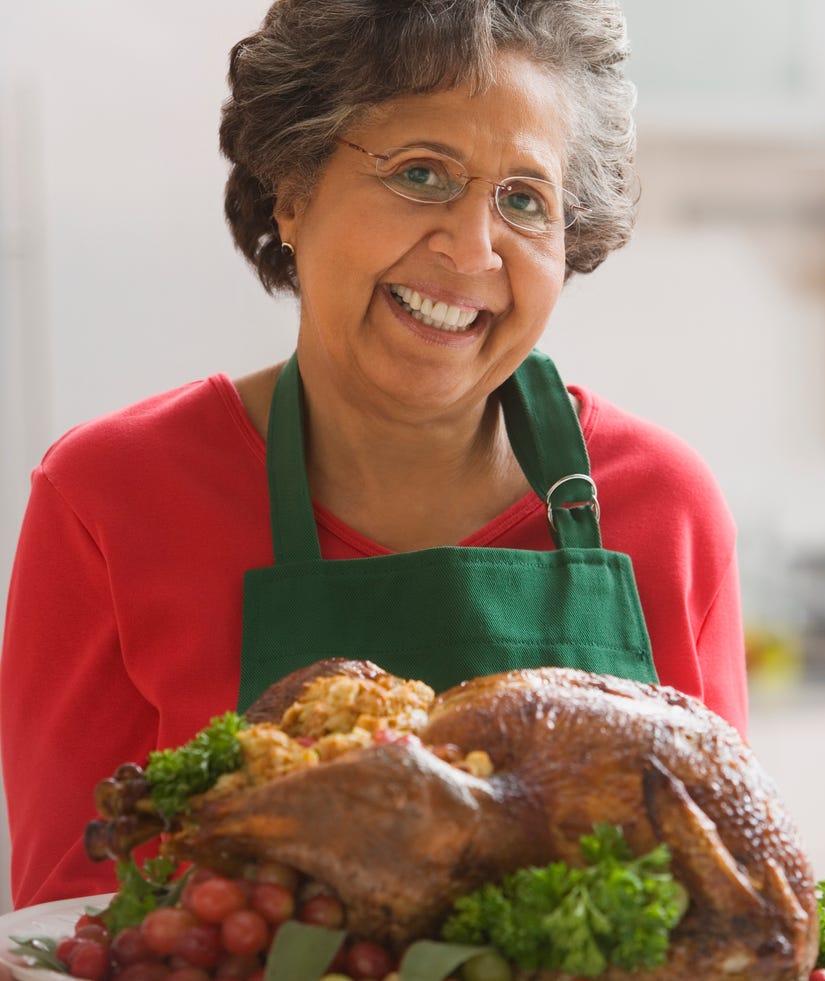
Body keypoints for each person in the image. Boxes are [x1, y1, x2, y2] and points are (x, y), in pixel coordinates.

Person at [0, 0, 747, 912]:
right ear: (293, 188)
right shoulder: (110, 500)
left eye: (524, 198)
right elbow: (68, 926)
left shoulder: (663, 506)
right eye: (422, 173)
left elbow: (722, 902)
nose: (472, 248)